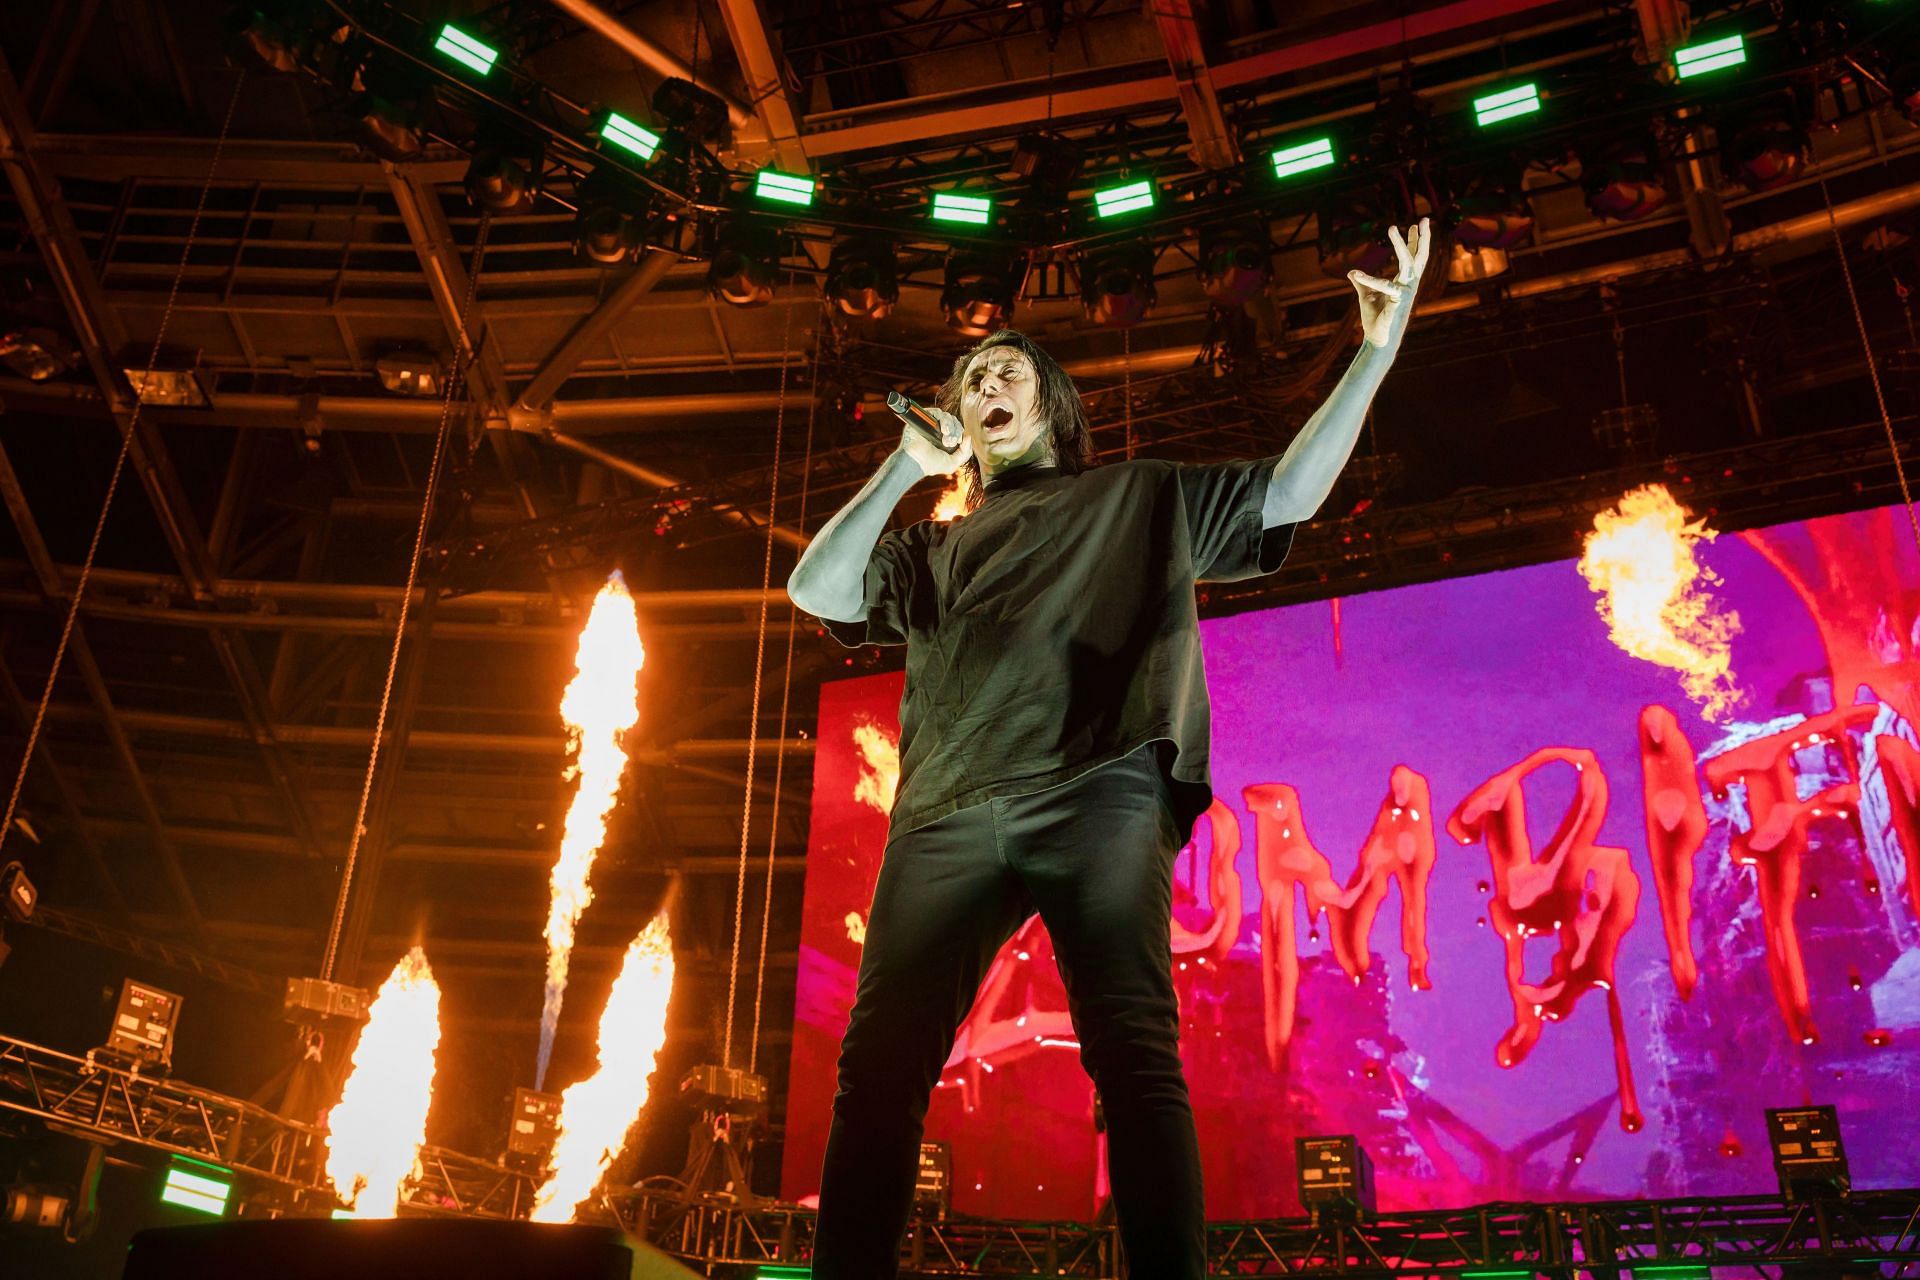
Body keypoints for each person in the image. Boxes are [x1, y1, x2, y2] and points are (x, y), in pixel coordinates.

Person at [785, 219, 1431, 1278]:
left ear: (1048, 403)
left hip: (1100, 791)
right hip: (946, 813)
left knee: (1132, 1052)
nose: (984, 380)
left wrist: (1376, 351)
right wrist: (906, 464)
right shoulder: (933, 547)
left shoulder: (1138, 494)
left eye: (1006, 369)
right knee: (878, 1070)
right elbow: (818, 588)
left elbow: (1289, 491)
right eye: (970, 376)